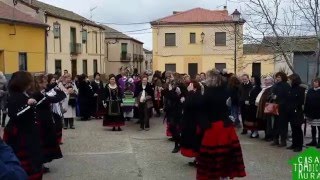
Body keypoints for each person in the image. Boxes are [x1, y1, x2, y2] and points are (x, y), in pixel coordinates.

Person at [196, 69, 246, 180]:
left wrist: (203, 124)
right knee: (226, 153)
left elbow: (202, 110)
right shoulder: (226, 89)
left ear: (211, 78)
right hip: (225, 125)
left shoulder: (207, 92)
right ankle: (224, 175)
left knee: (212, 155)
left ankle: (217, 175)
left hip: (213, 126)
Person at [3, 71, 43, 180]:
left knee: (35, 159)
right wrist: (28, 105)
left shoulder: (26, 94)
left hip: (30, 133)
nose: (31, 84)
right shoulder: (14, 96)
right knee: (25, 161)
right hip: (21, 136)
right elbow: (14, 115)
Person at [32, 74, 65, 172]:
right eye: (45, 81)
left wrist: (58, 82)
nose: (47, 83)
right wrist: (62, 94)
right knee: (41, 143)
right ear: (40, 83)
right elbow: (52, 99)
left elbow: (50, 89)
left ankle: (42, 163)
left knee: (46, 142)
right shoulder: (36, 94)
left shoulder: (41, 92)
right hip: (41, 122)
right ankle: (39, 164)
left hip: (45, 121)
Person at [180, 80, 202, 166]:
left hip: (195, 122)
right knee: (194, 141)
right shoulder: (194, 94)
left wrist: (187, 96)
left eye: (189, 86)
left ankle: (199, 160)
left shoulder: (197, 94)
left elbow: (189, 104)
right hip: (191, 121)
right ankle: (197, 159)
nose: (188, 87)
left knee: (196, 141)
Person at [285, 74, 306, 152]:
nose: (289, 81)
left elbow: (300, 101)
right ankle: (294, 144)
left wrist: (294, 107)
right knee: (293, 129)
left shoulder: (301, 89)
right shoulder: (290, 89)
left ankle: (299, 146)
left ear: (294, 80)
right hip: (291, 112)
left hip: (297, 112)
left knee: (298, 129)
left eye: (290, 79)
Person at [271, 72, 290, 147]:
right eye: (276, 77)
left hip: (283, 107)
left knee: (283, 125)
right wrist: (272, 96)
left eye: (279, 77)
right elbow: (272, 93)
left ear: (282, 77)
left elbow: (287, 96)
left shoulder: (286, 85)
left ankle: (283, 140)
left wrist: (277, 97)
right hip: (276, 107)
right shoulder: (275, 85)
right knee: (276, 124)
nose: (277, 78)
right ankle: (275, 139)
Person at [47, 74, 65, 144]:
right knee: (54, 125)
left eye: (54, 80)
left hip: (57, 107)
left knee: (59, 124)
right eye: (52, 80)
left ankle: (59, 139)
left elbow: (61, 95)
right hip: (51, 109)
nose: (53, 82)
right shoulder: (47, 89)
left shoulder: (56, 88)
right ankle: (54, 139)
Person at [256, 76, 274, 141]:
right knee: (265, 122)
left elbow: (270, 98)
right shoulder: (264, 88)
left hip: (268, 107)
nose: (265, 81)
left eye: (266, 80)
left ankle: (269, 136)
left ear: (271, 81)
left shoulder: (271, 88)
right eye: (265, 80)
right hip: (263, 107)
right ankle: (267, 135)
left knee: (268, 122)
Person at [305, 78, 320, 148]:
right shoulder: (310, 90)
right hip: (311, 113)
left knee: (319, 127)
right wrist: (305, 111)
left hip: (318, 114)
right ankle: (314, 141)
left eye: (316, 82)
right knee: (312, 127)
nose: (315, 83)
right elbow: (307, 101)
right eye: (314, 82)